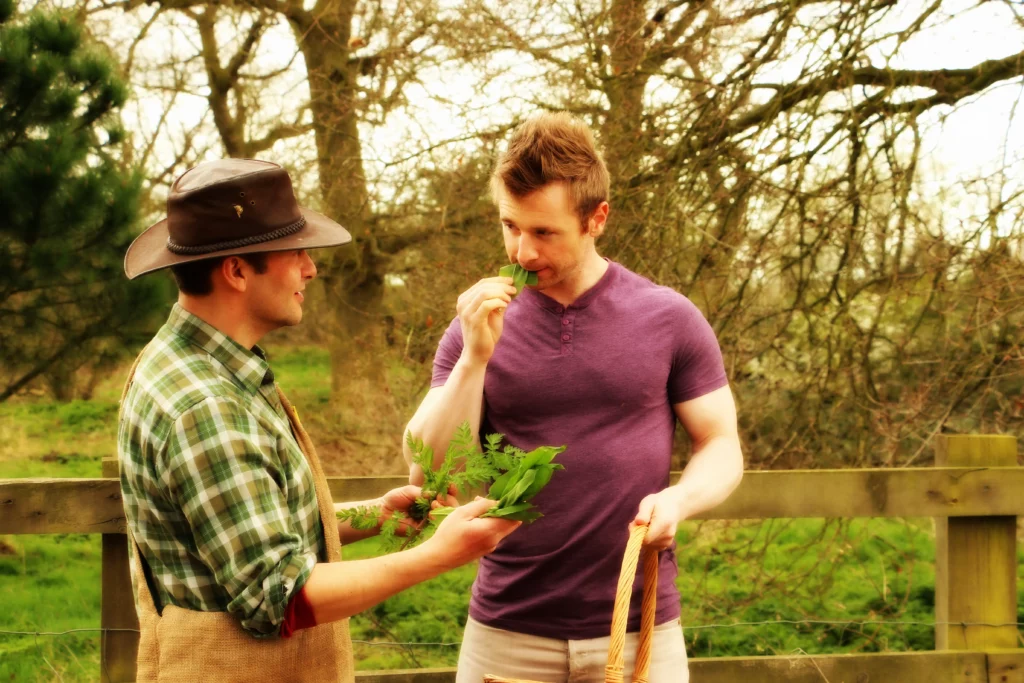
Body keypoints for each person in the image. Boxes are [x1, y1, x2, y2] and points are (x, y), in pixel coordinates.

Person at [117, 158, 520, 682]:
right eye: (296, 253)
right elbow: (276, 597)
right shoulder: (206, 406)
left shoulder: (186, 363)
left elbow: (246, 528)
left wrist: (372, 515)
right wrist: (440, 555)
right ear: (237, 271)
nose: (311, 268)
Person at [403, 113, 744, 683]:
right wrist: (474, 359)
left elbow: (722, 444)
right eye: (510, 226)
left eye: (544, 232)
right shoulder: (475, 325)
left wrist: (680, 502)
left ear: (597, 218)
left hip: (641, 627)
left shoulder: (669, 317)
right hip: (507, 631)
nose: (522, 251)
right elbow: (429, 471)